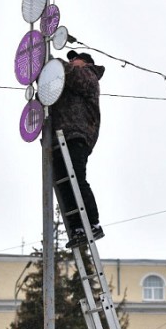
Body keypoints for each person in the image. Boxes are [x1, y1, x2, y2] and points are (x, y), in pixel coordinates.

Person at [50, 50, 105, 249]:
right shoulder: (67, 78)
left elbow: (72, 75)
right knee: (64, 185)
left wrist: (53, 62)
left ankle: (93, 223)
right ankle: (77, 228)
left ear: (87, 63)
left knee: (77, 179)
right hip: (59, 137)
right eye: (70, 59)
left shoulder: (88, 75)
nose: (72, 61)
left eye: (76, 59)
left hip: (77, 134)